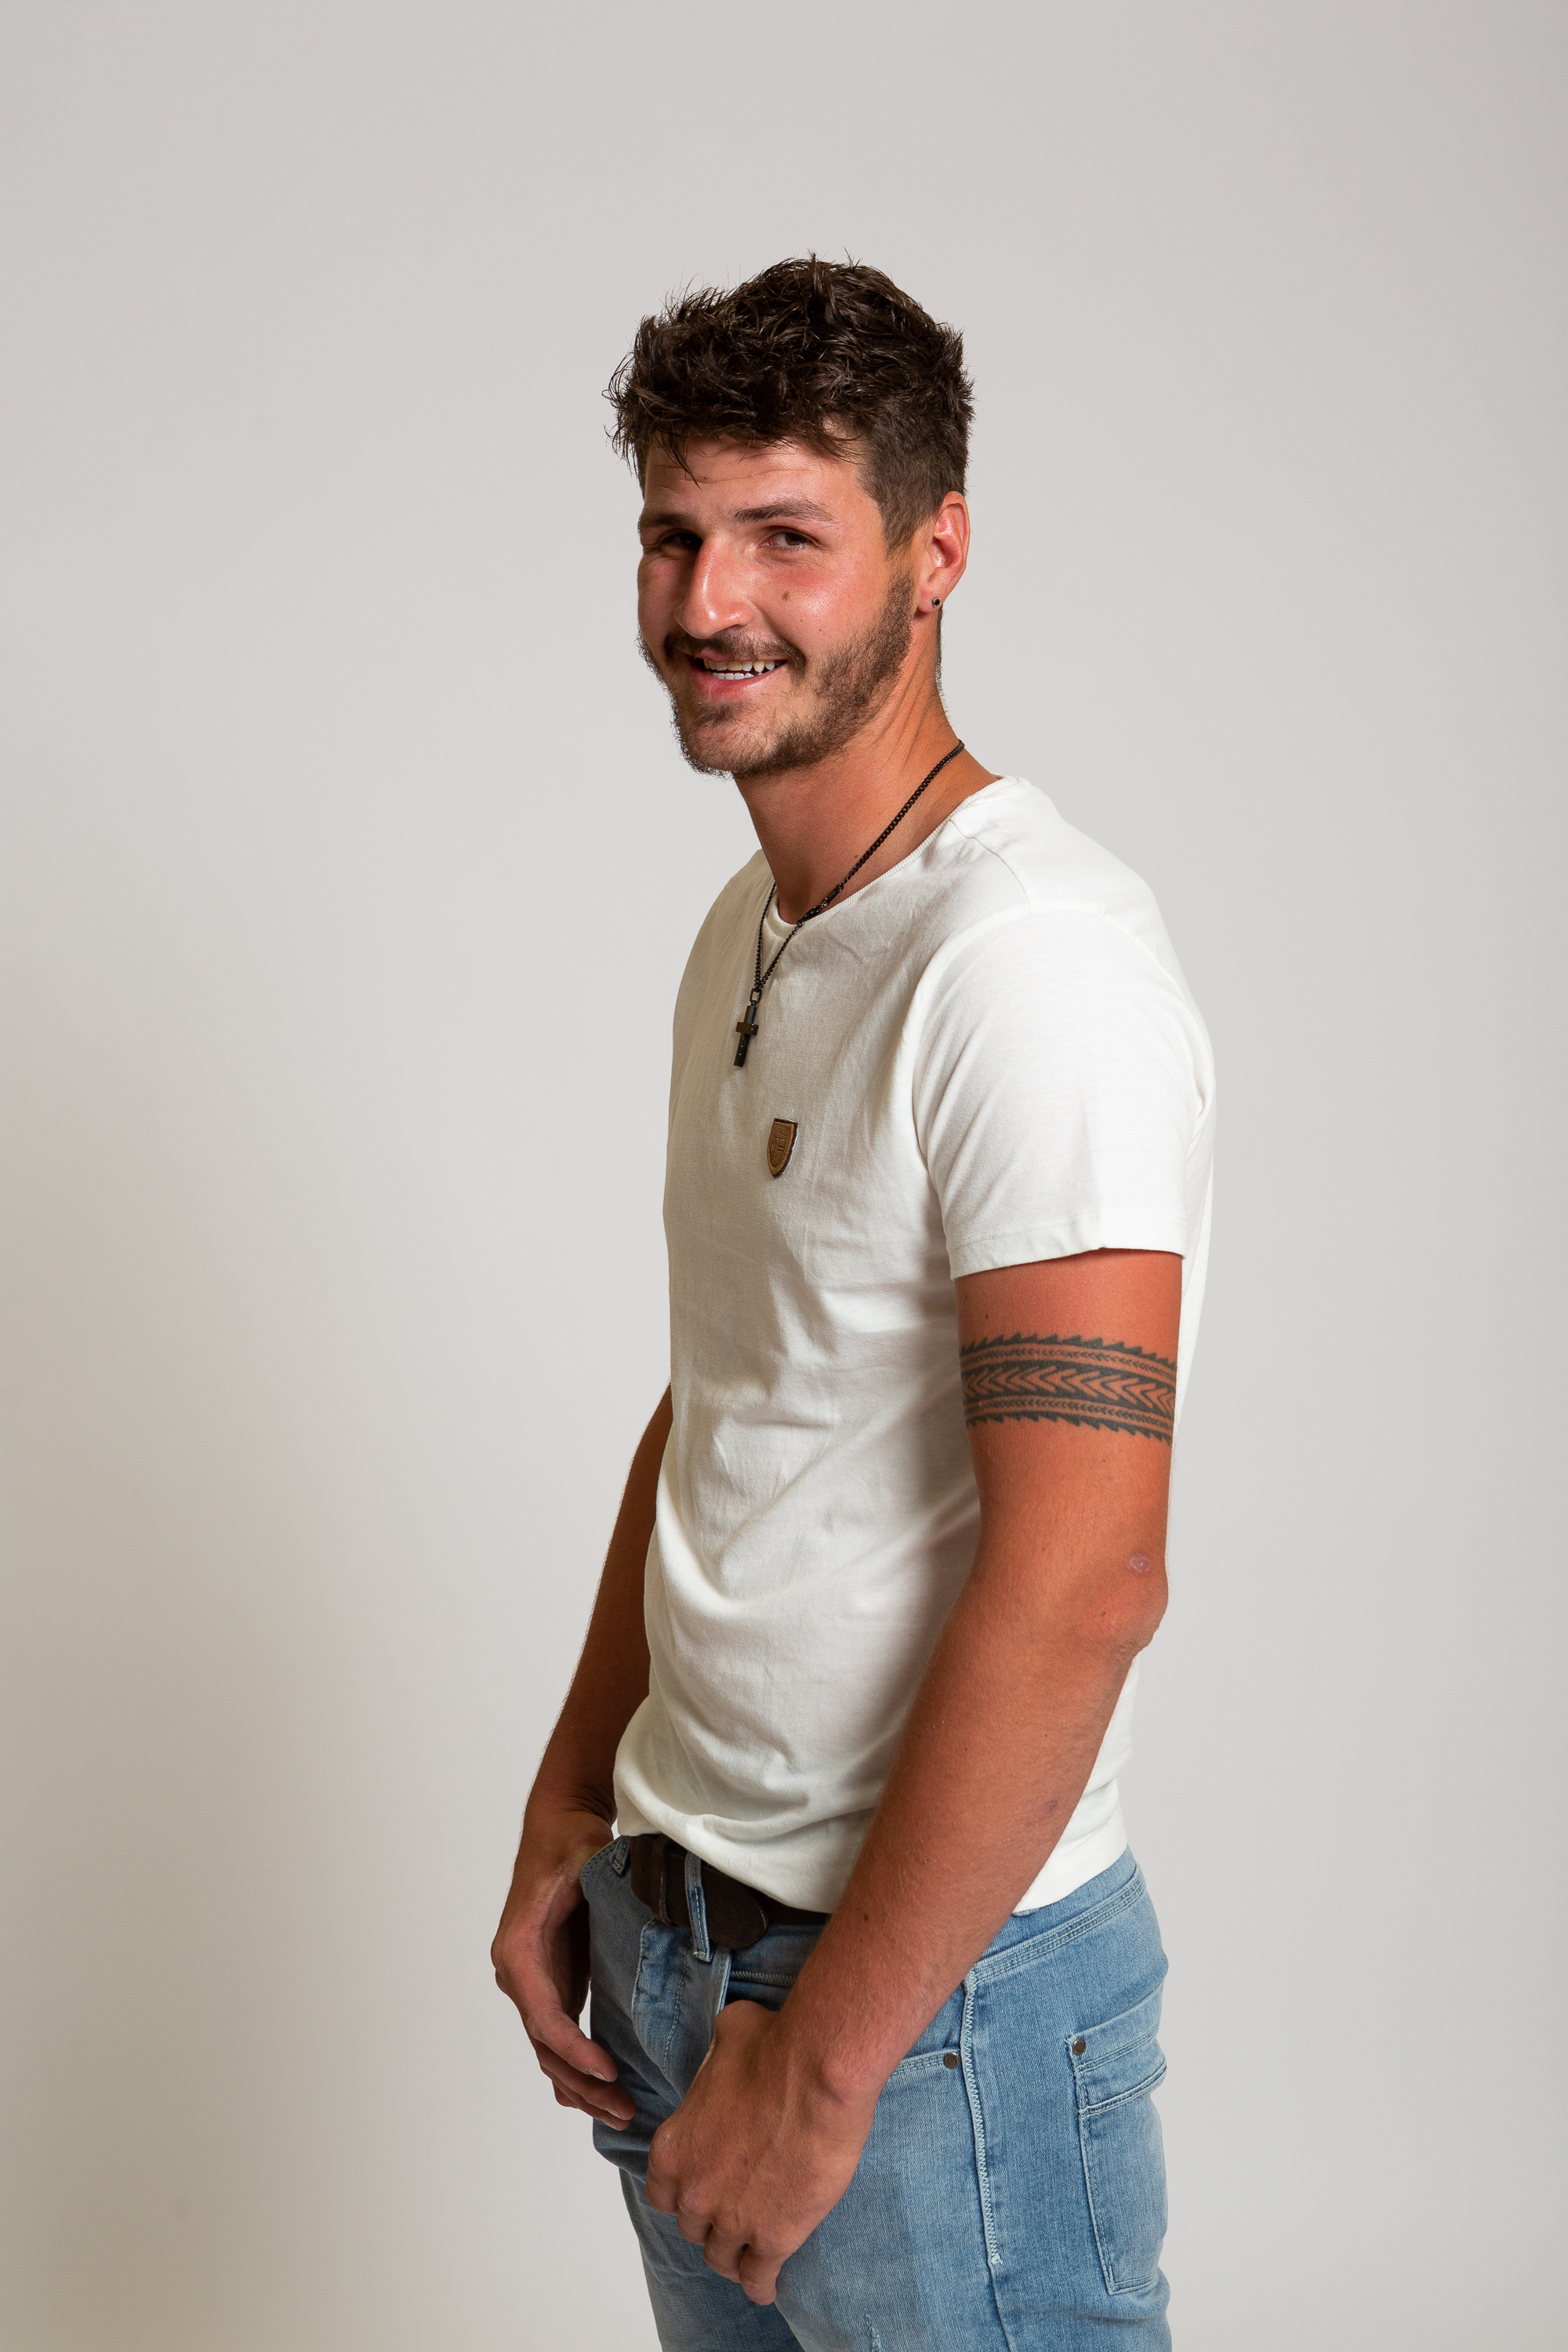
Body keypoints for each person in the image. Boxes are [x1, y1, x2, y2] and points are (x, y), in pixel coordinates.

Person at [492, 257, 1214, 2350]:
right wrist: (576, 1804)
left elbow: (1087, 1576)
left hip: (924, 2020)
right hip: (680, 1939)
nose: (709, 601)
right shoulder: (760, 922)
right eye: (673, 533)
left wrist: (820, 2072)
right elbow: (728, 1395)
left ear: (933, 551)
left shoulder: (1030, 969)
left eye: (784, 536)